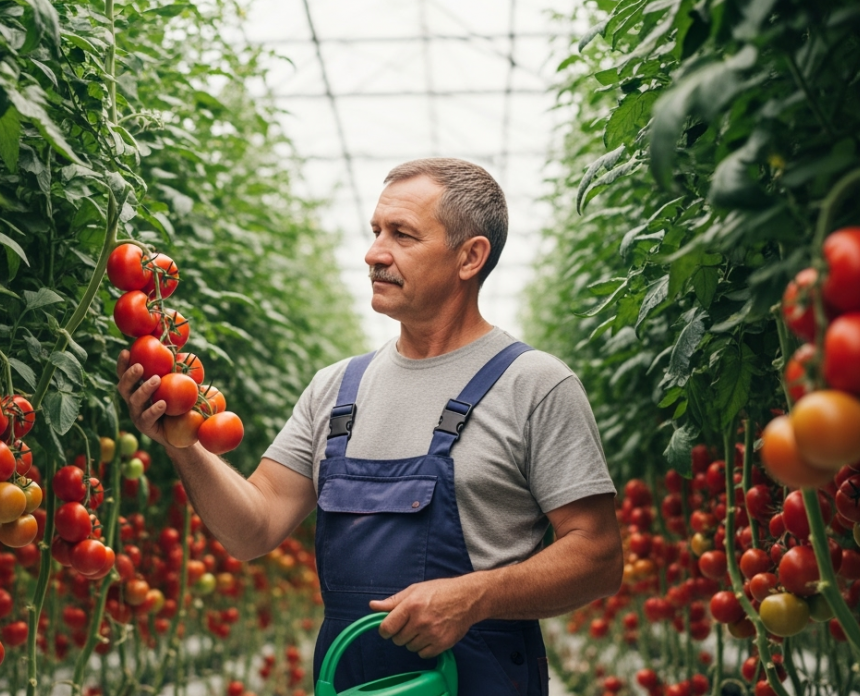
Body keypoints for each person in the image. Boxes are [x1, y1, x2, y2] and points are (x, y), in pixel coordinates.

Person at [116, 158, 621, 696]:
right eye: (376, 231)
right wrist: (184, 445)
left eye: (402, 235)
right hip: (349, 681)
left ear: (470, 257)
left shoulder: (534, 385)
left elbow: (598, 554)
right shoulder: (336, 389)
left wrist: (475, 597)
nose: (374, 252)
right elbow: (253, 529)